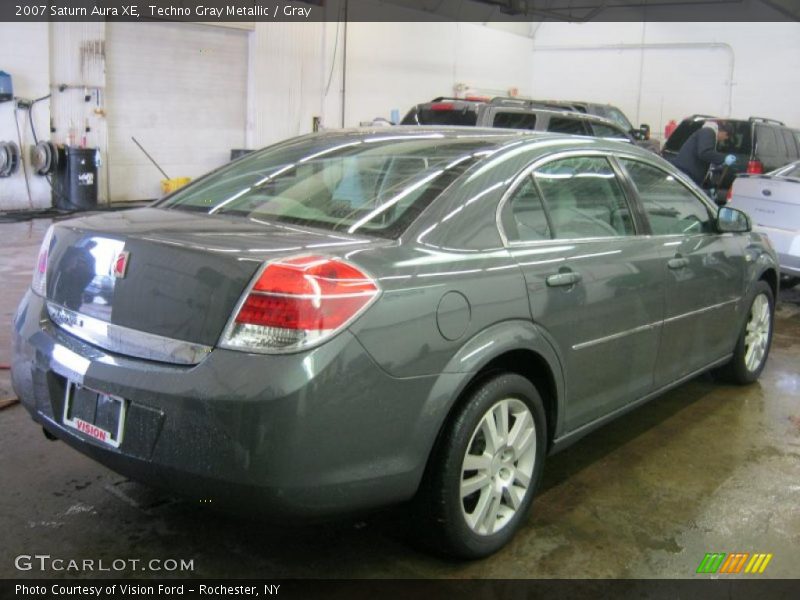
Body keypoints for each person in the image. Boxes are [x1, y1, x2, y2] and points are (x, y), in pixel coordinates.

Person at [671, 121, 737, 186]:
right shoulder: (708, 132)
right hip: (687, 174)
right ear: (725, 133)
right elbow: (705, 152)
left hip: (688, 174)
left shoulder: (707, 133)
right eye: (725, 138)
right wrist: (724, 158)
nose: (723, 140)